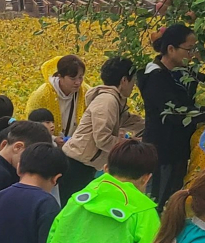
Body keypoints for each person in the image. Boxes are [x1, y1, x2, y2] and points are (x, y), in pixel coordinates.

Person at [59, 56, 143, 203]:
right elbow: (102, 139)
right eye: (132, 81)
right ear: (124, 80)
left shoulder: (115, 101)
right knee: (72, 210)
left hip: (85, 163)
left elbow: (126, 120)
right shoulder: (107, 101)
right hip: (77, 164)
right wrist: (128, 145)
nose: (133, 86)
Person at [140, 25, 205, 207]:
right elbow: (177, 113)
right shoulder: (155, 77)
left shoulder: (180, 72)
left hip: (177, 152)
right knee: (157, 205)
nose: (192, 54)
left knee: (172, 204)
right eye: (188, 49)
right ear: (171, 49)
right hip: (161, 154)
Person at [27, 54, 87, 140]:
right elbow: (31, 126)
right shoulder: (42, 94)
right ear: (60, 77)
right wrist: (53, 139)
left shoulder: (85, 92)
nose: (78, 82)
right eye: (72, 78)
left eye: (80, 77)